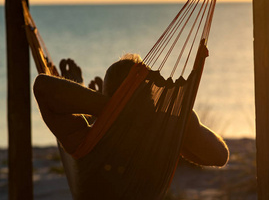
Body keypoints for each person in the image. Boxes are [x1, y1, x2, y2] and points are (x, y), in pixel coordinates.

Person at [33, 55, 229, 167]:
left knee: (90, 125)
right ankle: (92, 105)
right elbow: (220, 155)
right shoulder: (167, 127)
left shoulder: (82, 140)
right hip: (134, 197)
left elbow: (43, 87)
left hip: (101, 195)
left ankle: (87, 99)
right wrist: (186, 126)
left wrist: (110, 108)